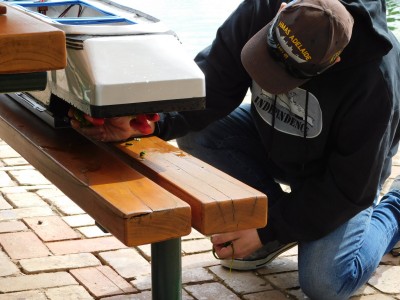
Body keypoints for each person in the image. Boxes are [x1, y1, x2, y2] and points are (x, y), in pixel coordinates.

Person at [69, 0, 400, 298]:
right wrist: (151, 122)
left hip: (340, 176)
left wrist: (268, 225)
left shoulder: (375, 77)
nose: (269, 78)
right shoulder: (265, 7)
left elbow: (349, 188)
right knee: (202, 134)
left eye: (287, 74)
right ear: (283, 8)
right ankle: (285, 225)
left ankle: (395, 208)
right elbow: (211, 82)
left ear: (335, 60)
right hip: (272, 138)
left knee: (326, 282)